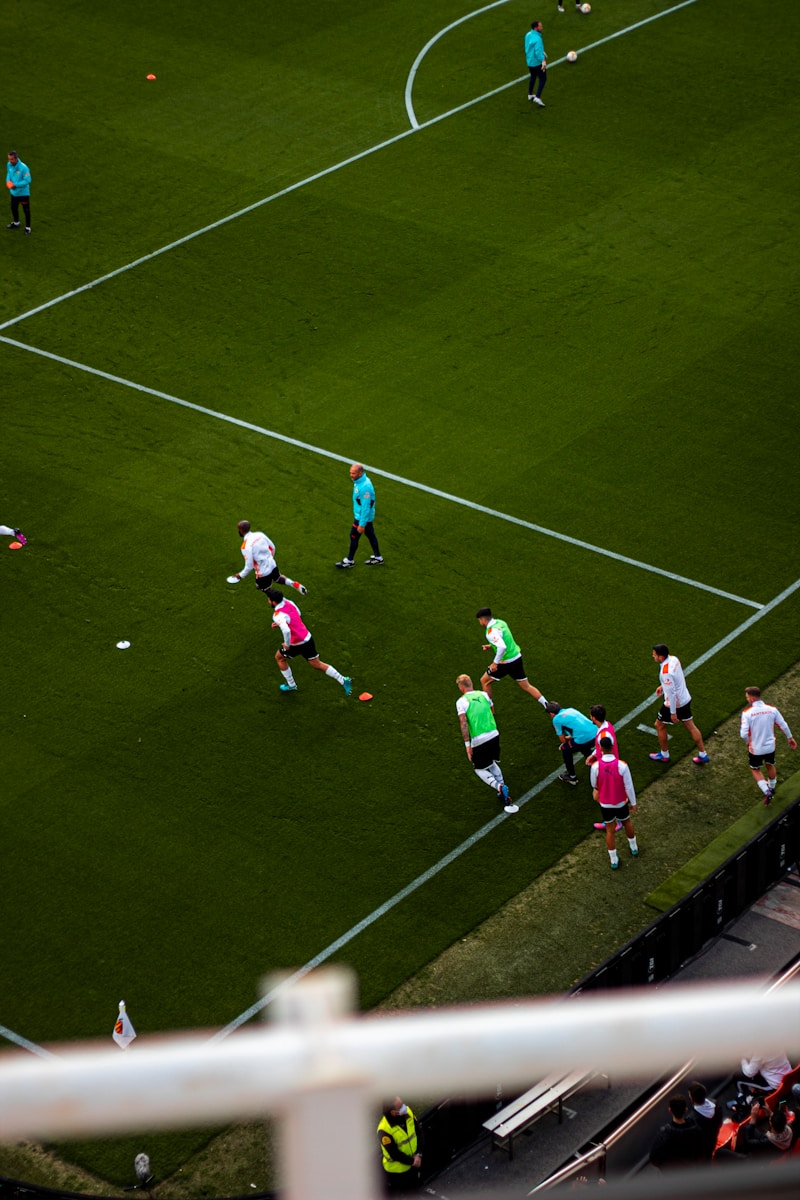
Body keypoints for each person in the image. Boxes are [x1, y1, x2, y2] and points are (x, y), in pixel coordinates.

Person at [264, 588, 351, 696]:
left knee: (279, 658)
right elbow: (298, 613)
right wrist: (282, 622)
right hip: (307, 638)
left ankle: (291, 685)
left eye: (268, 599)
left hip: (296, 644)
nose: (268, 601)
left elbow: (286, 630)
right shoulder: (289, 602)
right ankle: (343, 680)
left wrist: (287, 644)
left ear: (273, 602)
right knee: (317, 664)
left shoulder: (277, 615)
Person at [456, 675, 519, 814]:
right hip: (494, 733)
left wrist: (467, 745)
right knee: (490, 762)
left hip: (479, 739)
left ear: (461, 688)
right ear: (471, 684)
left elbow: (463, 723)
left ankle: (499, 786)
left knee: (479, 769)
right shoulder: (483, 694)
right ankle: (502, 791)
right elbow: (492, 710)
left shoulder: (461, 701)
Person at [648, 644, 710, 765]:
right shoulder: (674, 659)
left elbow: (671, 694)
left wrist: (673, 713)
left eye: (654, 654)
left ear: (661, 657)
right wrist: (663, 686)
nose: (653, 656)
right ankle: (703, 754)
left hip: (674, 704)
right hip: (685, 698)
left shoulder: (665, 672)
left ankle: (664, 755)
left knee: (659, 725)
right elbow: (675, 679)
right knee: (691, 726)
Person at [475, 609, 548, 707]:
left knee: (484, 681)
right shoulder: (501, 623)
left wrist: (495, 663)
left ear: (482, 619)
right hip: (517, 658)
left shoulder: (490, 632)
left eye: (479, 620)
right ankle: (547, 706)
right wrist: (491, 645)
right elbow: (505, 639)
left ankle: (490, 708)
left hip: (505, 663)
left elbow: (502, 647)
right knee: (526, 686)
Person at [739, 686, 796, 806]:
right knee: (770, 765)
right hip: (770, 747)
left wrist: (748, 741)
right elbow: (783, 725)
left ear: (752, 698)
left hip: (756, 748)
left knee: (755, 769)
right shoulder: (772, 710)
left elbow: (743, 734)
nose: (747, 699)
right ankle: (772, 787)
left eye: (747, 697)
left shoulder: (747, 713)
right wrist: (790, 738)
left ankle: (767, 791)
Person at [589, 737, 638, 870]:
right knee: (627, 822)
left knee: (610, 831)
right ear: (612, 747)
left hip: (605, 804)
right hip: (621, 802)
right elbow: (629, 786)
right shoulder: (622, 765)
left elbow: (594, 784)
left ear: (600, 749)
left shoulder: (595, 766)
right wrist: (633, 803)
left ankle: (613, 859)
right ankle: (634, 847)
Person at [229, 521, 306, 594]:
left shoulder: (245, 546)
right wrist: (269, 559)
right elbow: (272, 547)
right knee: (278, 578)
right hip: (272, 564)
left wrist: (240, 575)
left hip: (262, 572)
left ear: (240, 530)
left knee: (264, 589)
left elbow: (249, 566)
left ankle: (281, 601)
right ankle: (293, 583)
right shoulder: (259, 534)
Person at [335, 462, 383, 568]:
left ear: (360, 473)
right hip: (363, 516)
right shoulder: (360, 481)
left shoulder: (365, 487)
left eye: (353, 473)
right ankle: (378, 557)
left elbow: (366, 507)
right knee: (370, 535)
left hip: (362, 517)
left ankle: (349, 560)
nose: (351, 475)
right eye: (350, 473)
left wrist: (361, 524)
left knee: (353, 536)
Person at [587, 705, 622, 832]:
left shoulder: (603, 734)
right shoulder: (606, 726)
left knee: (599, 796)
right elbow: (602, 748)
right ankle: (614, 819)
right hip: (610, 766)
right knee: (602, 795)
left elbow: (606, 751)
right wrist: (593, 755)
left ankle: (616, 820)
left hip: (608, 769)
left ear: (594, 718)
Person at [648, 1094, 706, 1170]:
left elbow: (654, 1158)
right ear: (686, 1109)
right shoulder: (696, 1130)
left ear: (670, 1110)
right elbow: (702, 1152)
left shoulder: (664, 1133)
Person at [377, 1097, 423, 1192]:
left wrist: (419, 1154)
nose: (405, 1107)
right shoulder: (384, 1130)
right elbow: (394, 1154)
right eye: (401, 1106)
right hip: (398, 1171)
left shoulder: (408, 1112)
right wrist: (413, 1161)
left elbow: (419, 1133)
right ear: (394, 1113)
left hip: (414, 1163)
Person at [545, 701, 596, 785]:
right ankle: (597, 766)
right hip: (596, 734)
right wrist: (570, 739)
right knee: (582, 746)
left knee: (565, 749)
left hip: (584, 739)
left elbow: (562, 740)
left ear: (552, 713)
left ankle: (572, 776)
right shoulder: (570, 710)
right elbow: (579, 727)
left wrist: (566, 741)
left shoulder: (556, 719)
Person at [687, 1081, 723, 1160]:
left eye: (689, 1094)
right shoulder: (716, 1104)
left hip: (703, 1148)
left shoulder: (692, 1120)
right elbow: (720, 1123)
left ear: (692, 1098)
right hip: (713, 1138)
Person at [6, 151, 31, 235]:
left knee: (26, 210)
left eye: (12, 159)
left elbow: (28, 180)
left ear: (16, 158)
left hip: (23, 194)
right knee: (13, 208)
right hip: (14, 193)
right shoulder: (9, 164)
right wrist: (8, 181)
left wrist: (15, 185)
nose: (10, 161)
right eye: (9, 159)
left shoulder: (24, 168)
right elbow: (9, 174)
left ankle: (28, 227)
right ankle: (16, 223)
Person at [524, 21, 547, 106]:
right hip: (537, 63)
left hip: (529, 61)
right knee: (543, 79)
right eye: (540, 26)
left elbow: (528, 47)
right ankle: (537, 97)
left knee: (533, 76)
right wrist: (543, 59)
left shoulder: (528, 35)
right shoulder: (538, 39)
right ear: (536, 28)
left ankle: (530, 94)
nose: (542, 28)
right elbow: (537, 52)